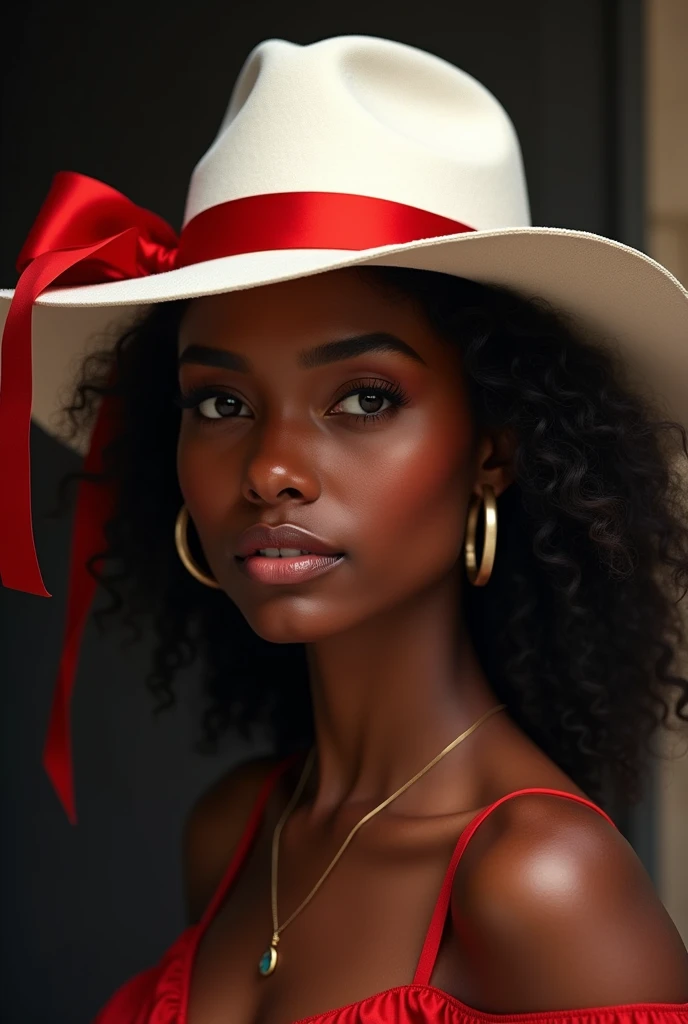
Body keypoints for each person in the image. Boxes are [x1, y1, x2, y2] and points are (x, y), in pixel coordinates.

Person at [1, 33, 688, 1024]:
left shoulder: (539, 885)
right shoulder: (236, 832)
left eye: (363, 397)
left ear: (492, 447)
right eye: (221, 403)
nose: (270, 468)